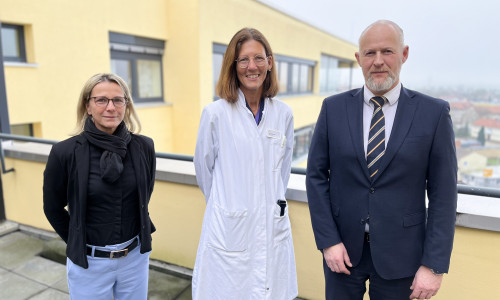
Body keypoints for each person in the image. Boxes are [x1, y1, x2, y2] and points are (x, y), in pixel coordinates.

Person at [306, 20, 457, 300]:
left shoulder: (433, 114)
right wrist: (328, 241)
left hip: (403, 258)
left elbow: (444, 195)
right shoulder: (333, 108)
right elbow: (315, 177)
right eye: (369, 53)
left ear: (404, 54)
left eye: (387, 51)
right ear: (358, 59)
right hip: (342, 255)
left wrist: (433, 266)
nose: (378, 62)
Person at [192, 27, 298, 299]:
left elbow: (282, 172)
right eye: (243, 60)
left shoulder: (283, 113)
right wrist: (227, 207)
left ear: (270, 63)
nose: (252, 66)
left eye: (259, 58)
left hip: (271, 225)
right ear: (233, 66)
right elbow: (204, 172)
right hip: (229, 228)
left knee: (272, 288)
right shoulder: (215, 114)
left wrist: (265, 203)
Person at [43, 73, 156, 299]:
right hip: (89, 264)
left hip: (134, 259)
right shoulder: (65, 152)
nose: (110, 107)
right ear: (88, 106)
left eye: (118, 100)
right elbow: (52, 208)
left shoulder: (143, 147)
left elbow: (145, 193)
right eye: (101, 100)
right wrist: (79, 240)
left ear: (126, 105)